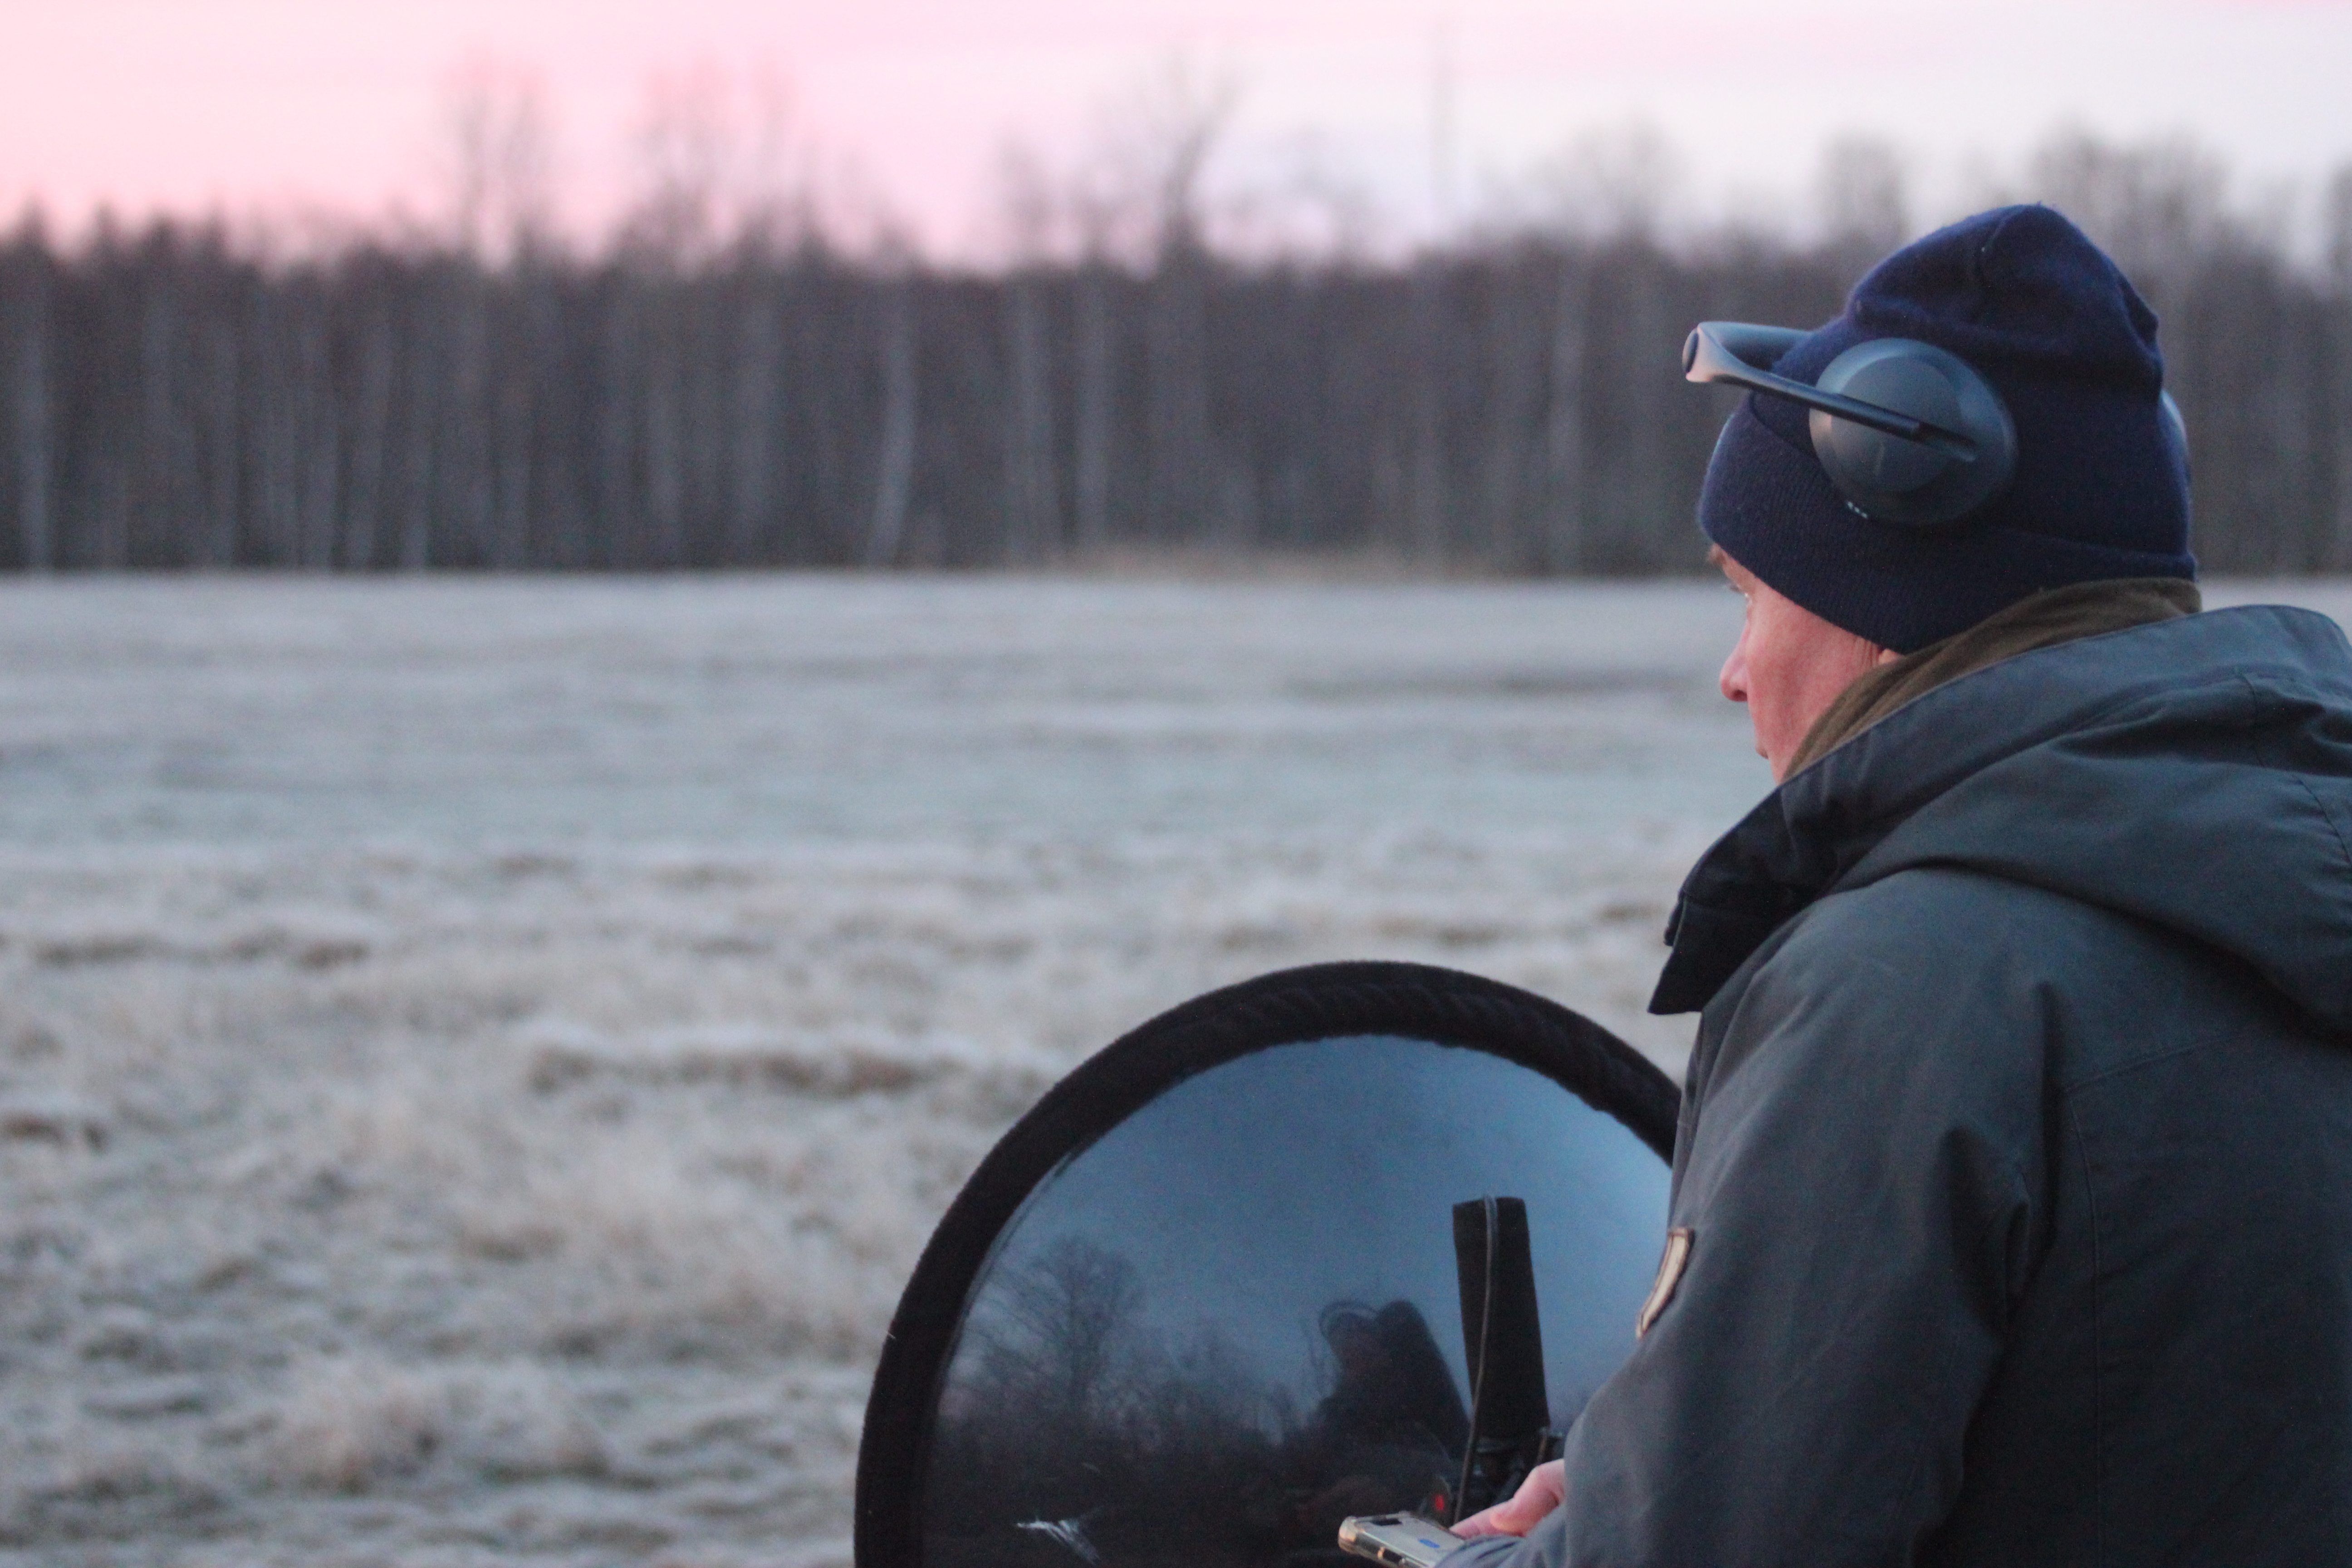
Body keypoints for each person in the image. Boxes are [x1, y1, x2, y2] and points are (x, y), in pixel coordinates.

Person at [1443, 205, 2352, 1565]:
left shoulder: (1907, 991)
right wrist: (1635, 1478)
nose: (1734, 671)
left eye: (1749, 595)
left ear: (1887, 605)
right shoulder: (2286, 886)